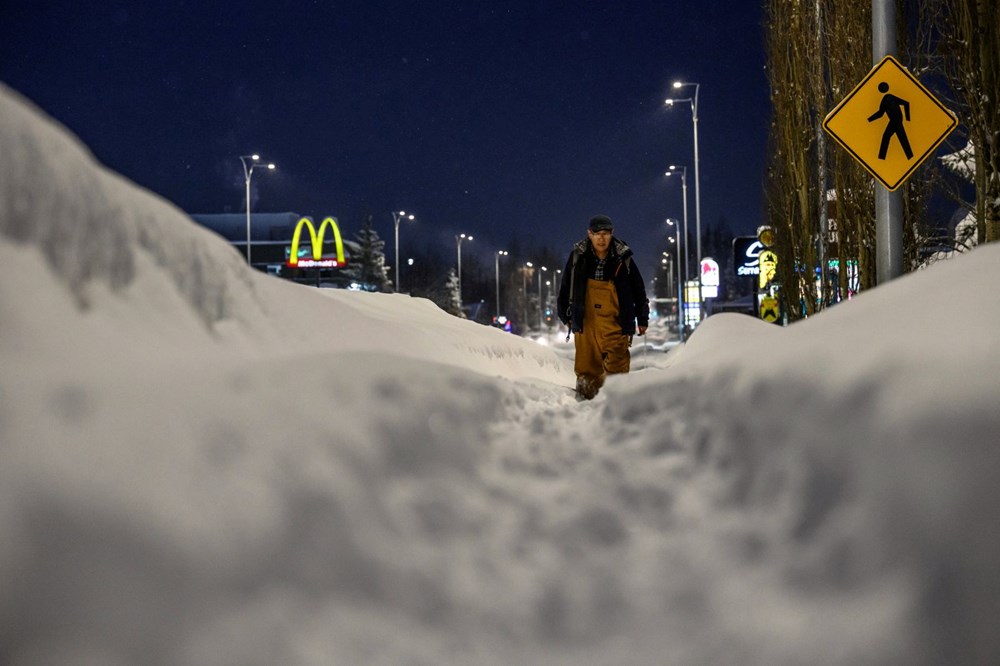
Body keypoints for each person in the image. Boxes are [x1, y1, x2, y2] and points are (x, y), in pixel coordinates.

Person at [557, 214, 649, 399]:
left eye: (605, 233)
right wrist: (564, 314)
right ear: (589, 234)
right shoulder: (578, 257)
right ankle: (585, 412)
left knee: (618, 371)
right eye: (597, 233)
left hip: (616, 324)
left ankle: (615, 407)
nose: (601, 238)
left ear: (612, 234)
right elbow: (566, 286)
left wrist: (642, 317)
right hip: (586, 323)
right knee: (586, 371)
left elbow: (639, 290)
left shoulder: (624, 259)